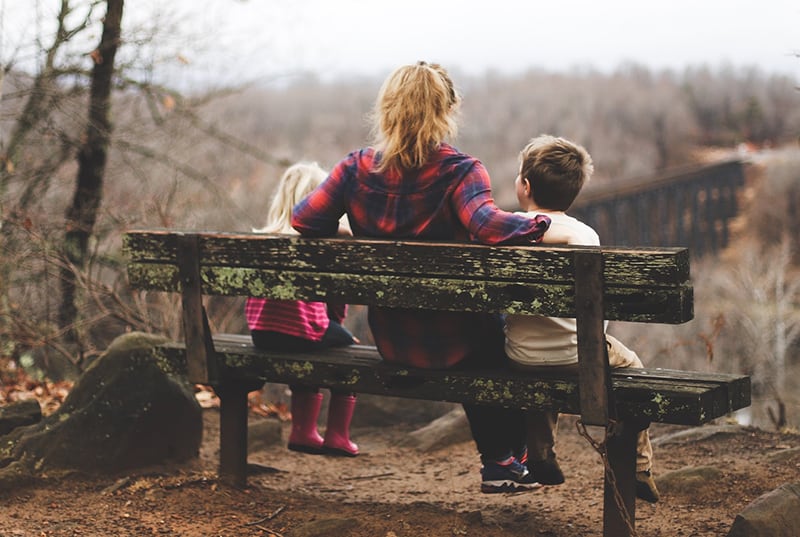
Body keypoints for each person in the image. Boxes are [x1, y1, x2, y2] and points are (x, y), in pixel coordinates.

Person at [291, 61, 552, 493]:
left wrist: (345, 230)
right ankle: (505, 459)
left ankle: (506, 460)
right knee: (498, 336)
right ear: (447, 111)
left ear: (387, 109)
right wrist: (539, 223)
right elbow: (487, 225)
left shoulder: (354, 169)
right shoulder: (461, 171)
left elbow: (304, 220)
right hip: (458, 343)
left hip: (394, 340)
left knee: (483, 333)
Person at [503, 134, 660, 502]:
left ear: (524, 186)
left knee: (541, 365)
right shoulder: (584, 235)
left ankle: (540, 453)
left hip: (520, 356)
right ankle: (638, 466)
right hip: (579, 356)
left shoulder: (506, 230)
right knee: (633, 367)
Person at [246, 162, 360, 457]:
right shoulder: (319, 242)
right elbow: (335, 300)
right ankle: (337, 436)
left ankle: (303, 431)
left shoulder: (263, 239)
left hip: (262, 334)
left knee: (310, 342)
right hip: (302, 332)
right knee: (349, 350)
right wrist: (337, 327)